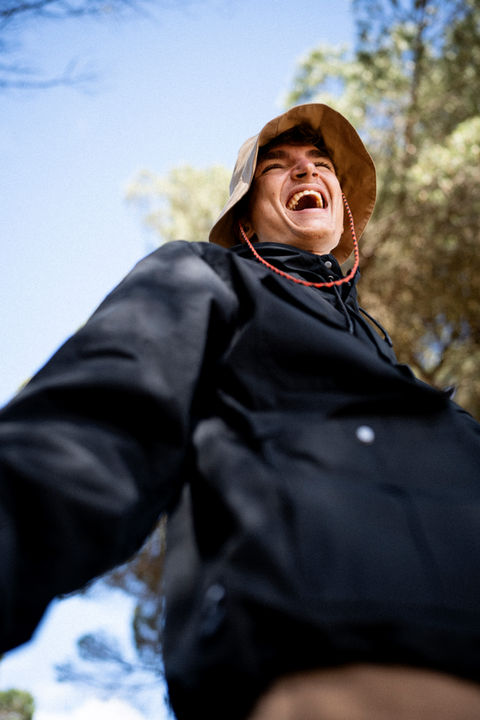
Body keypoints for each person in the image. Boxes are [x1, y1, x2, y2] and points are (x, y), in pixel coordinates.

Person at [1, 103, 480, 720]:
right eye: (277, 166)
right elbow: (89, 428)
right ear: (246, 216)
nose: (306, 171)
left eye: (320, 163)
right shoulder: (204, 276)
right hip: (323, 669)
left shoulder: (400, 373)